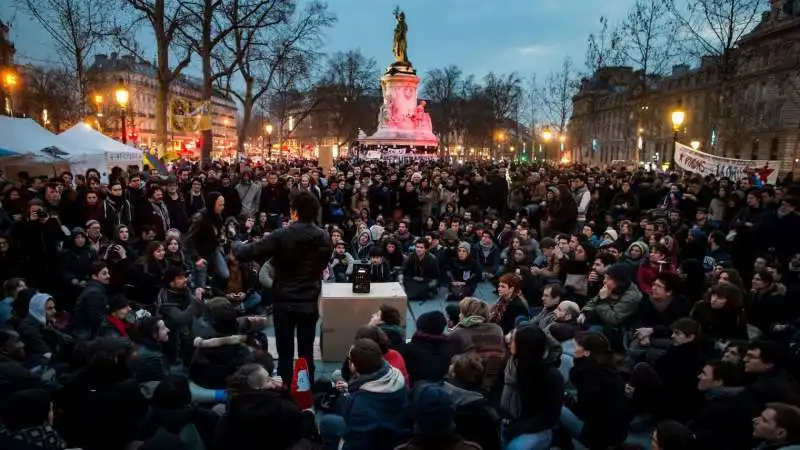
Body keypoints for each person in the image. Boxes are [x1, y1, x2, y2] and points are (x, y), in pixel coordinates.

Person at [235, 191, 331, 383]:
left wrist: (236, 243)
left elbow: (246, 253)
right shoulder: (323, 237)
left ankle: (286, 387)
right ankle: (306, 388)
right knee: (306, 353)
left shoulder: (281, 235)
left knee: (285, 352)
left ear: (294, 212)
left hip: (284, 302)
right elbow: (322, 264)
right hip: (309, 302)